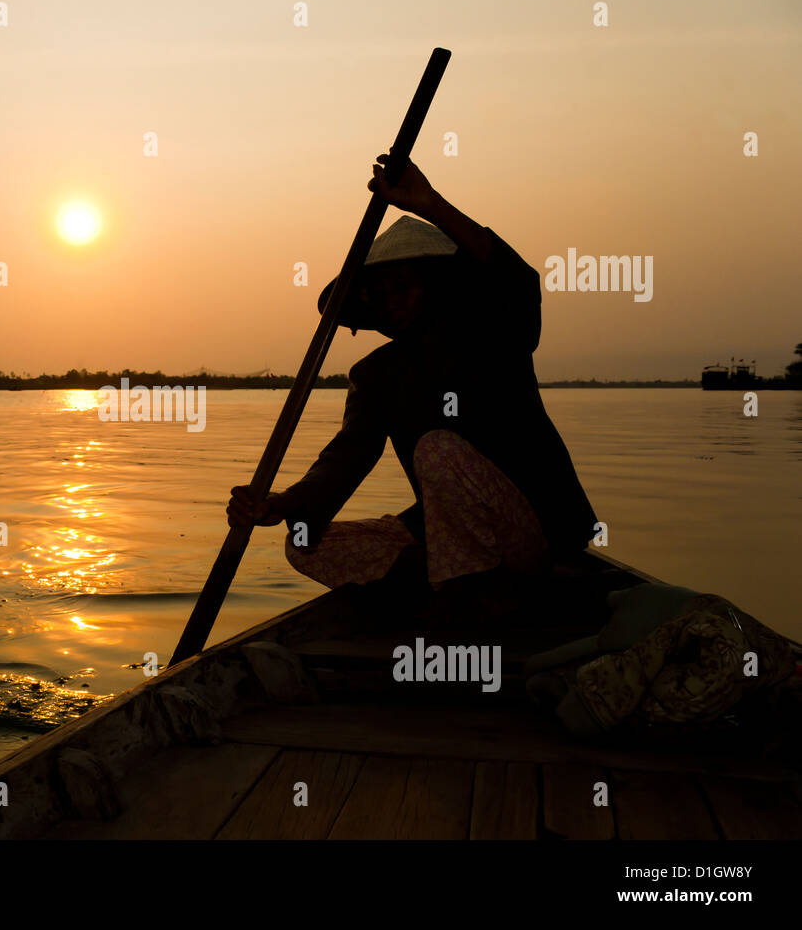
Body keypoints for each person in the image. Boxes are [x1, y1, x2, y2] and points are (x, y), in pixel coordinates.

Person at [227, 154, 597, 621]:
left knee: (436, 450)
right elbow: (347, 457)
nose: (391, 301)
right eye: (380, 292)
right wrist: (282, 503)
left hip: (536, 533)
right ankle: (460, 586)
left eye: (403, 286)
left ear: (439, 286)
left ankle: (467, 595)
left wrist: (430, 204)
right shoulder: (376, 374)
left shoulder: (494, 333)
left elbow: (516, 282)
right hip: (454, 542)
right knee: (304, 546)